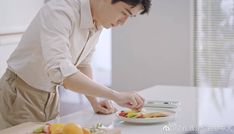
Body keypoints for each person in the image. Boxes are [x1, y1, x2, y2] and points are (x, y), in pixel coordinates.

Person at [0, 0, 151, 130]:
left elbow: (82, 64)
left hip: (50, 96)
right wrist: (115, 95)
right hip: (19, 93)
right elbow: (62, 72)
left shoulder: (97, 21)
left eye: (130, 17)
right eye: (124, 12)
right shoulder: (60, 11)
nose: (123, 22)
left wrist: (94, 100)